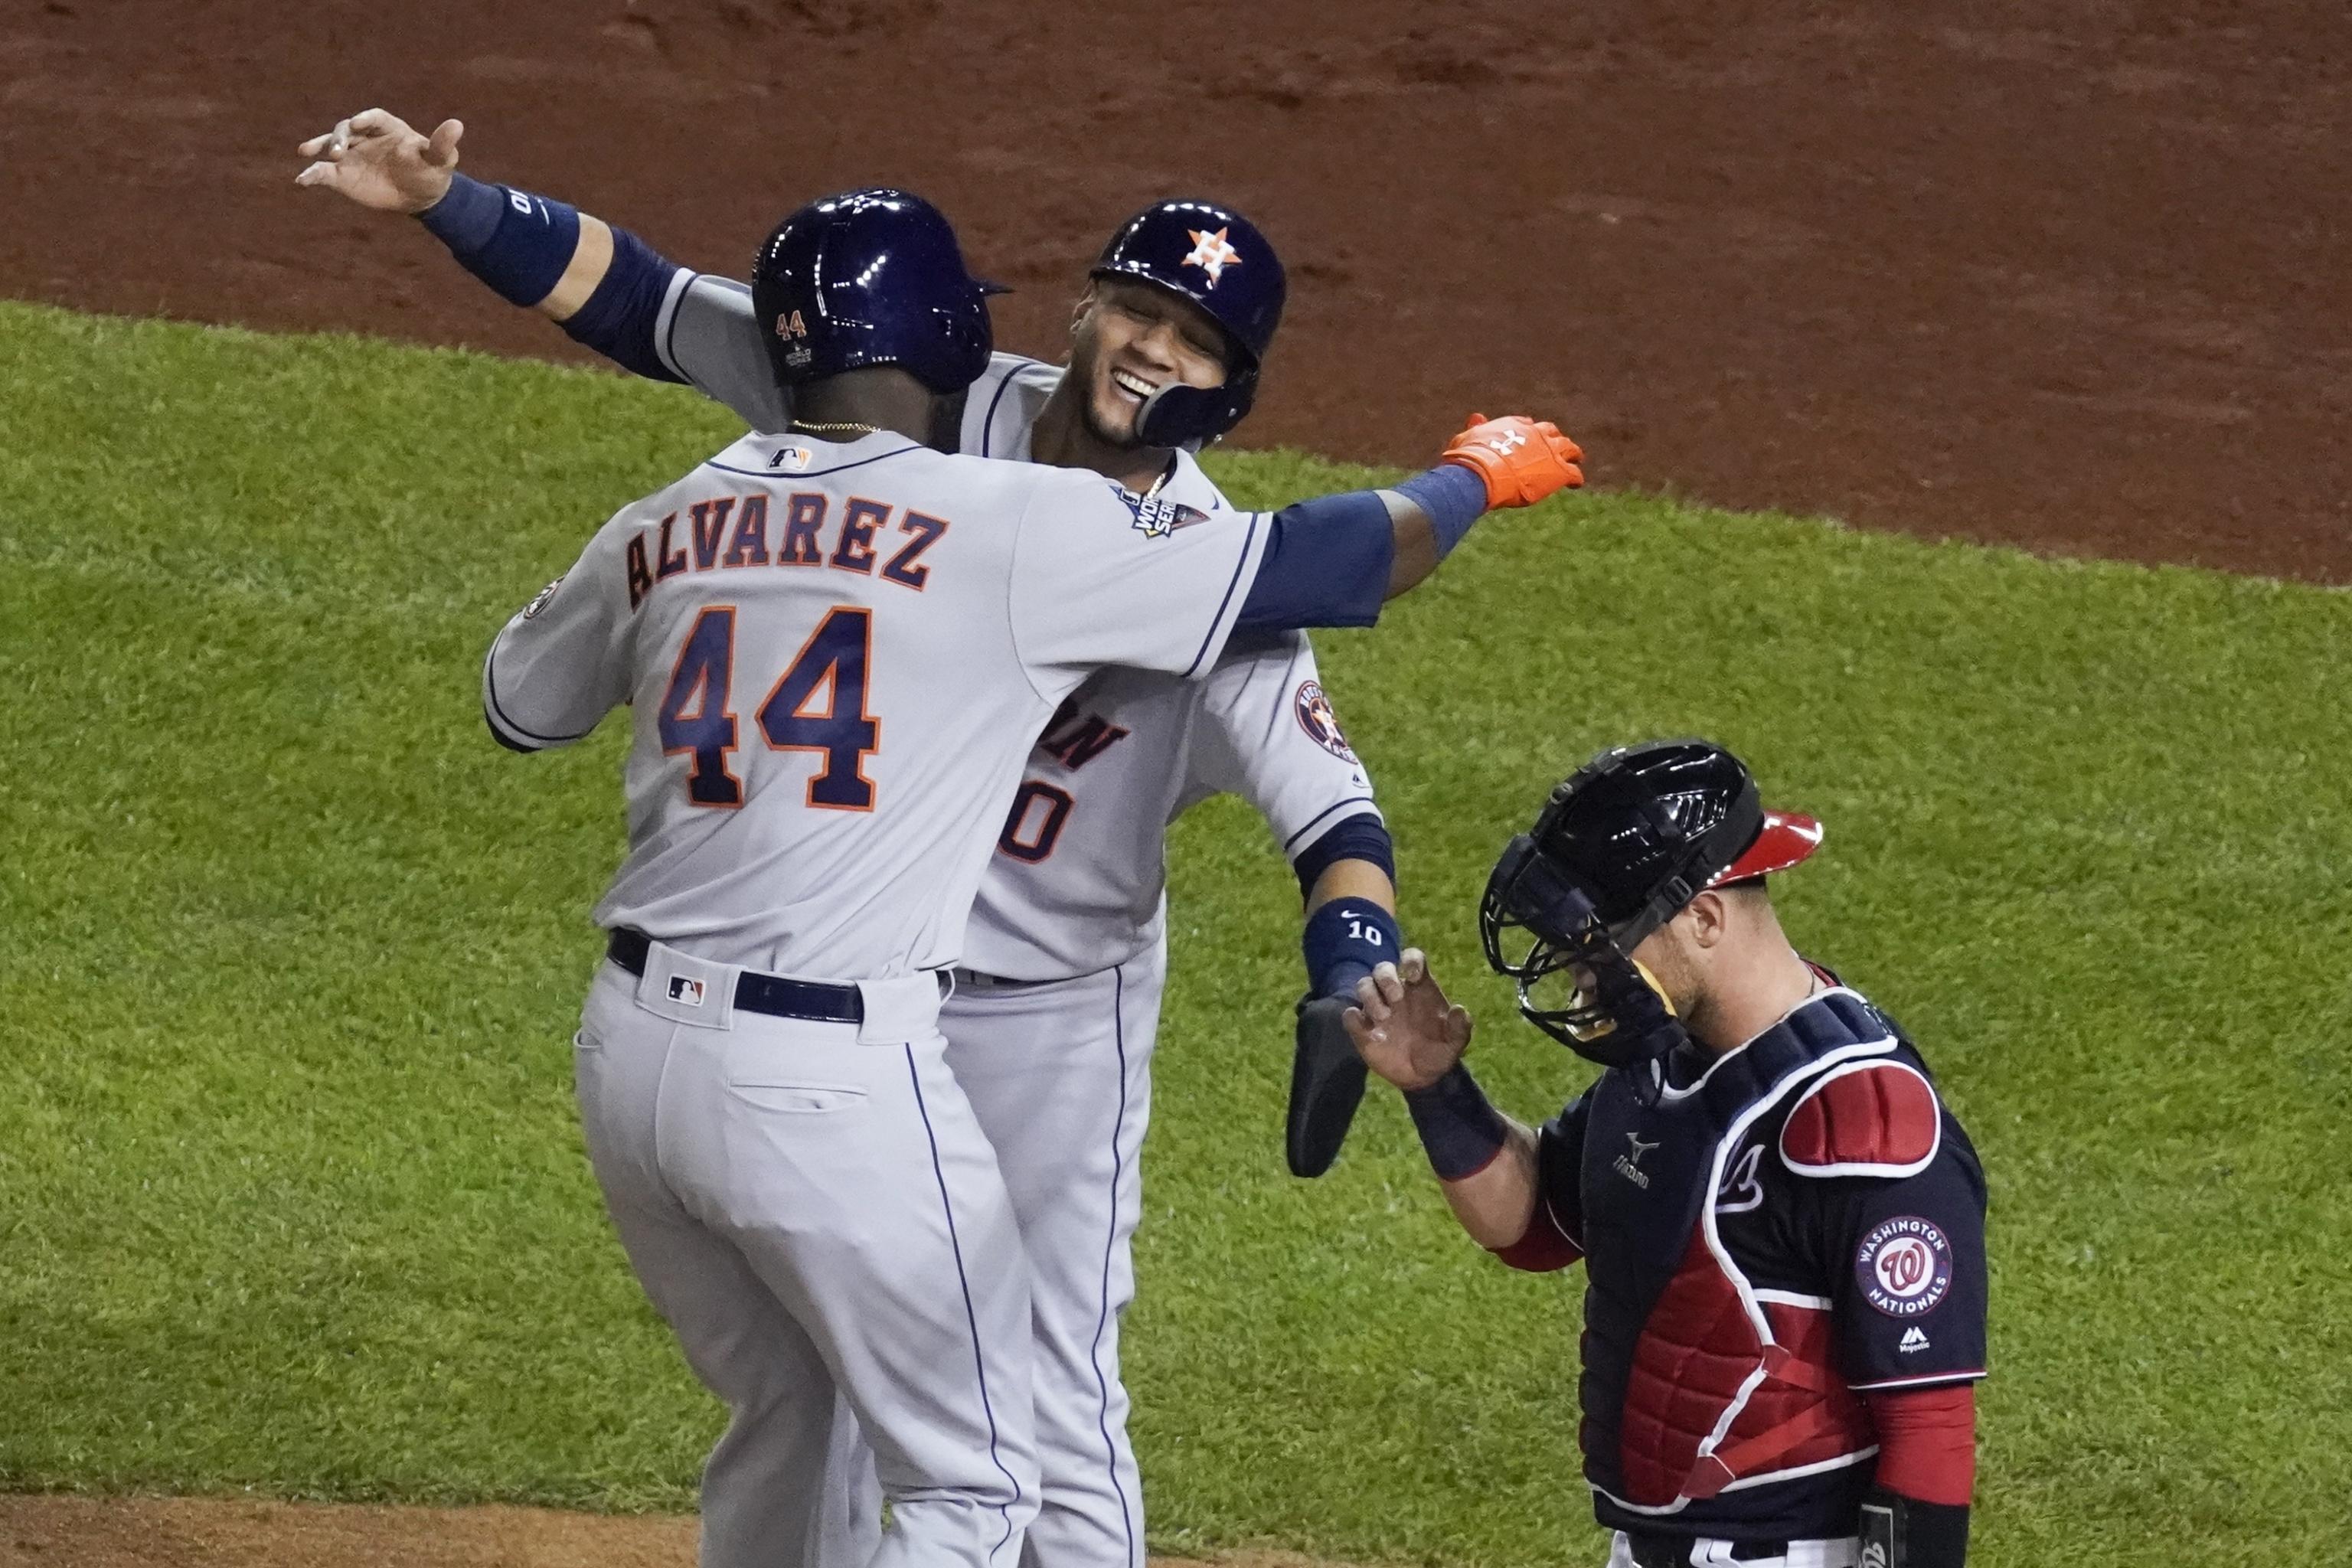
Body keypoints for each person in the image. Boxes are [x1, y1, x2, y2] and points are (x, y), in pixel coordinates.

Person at [295, 107, 1537, 1568]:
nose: (1149, 348)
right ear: (1078, 308)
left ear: (1231, 388)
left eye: (1191, 340)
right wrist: (454, 202)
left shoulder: (1204, 569)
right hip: (855, 1005)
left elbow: (1334, 814)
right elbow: (647, 303)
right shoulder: (947, 407)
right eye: (1134, 307)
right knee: (865, 1414)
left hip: (1040, 1014)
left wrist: (1356, 955)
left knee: (1050, 1390)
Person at [1344, 741, 1985, 1568]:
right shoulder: (1662, 1060)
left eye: (1597, 943)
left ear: (1706, 917)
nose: (1579, 977)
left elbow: (1928, 1425)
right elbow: (1535, 1226)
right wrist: (1436, 1088)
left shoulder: (1855, 1121)